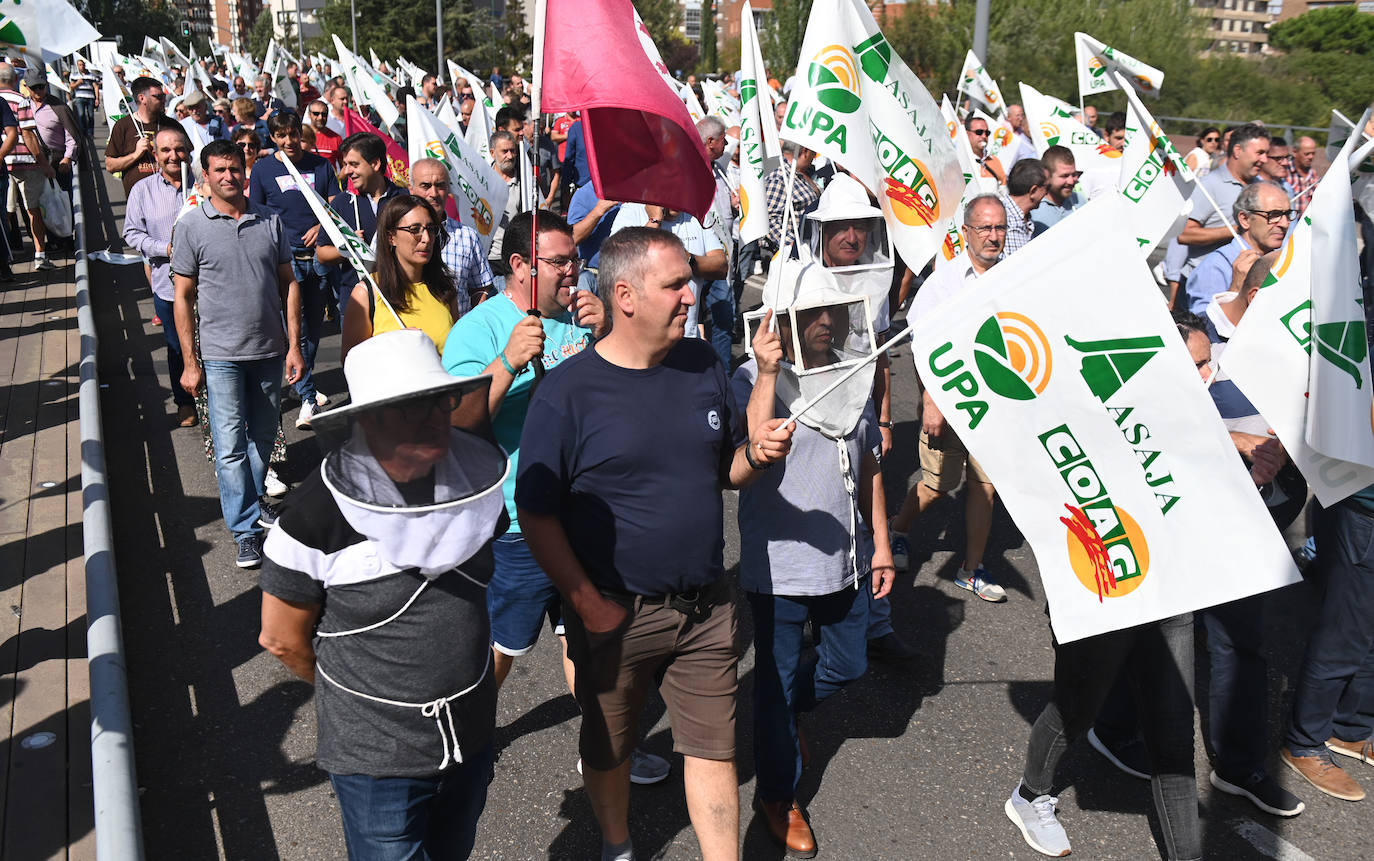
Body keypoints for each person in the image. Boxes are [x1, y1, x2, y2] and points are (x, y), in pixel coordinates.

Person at [516, 227, 794, 861]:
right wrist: (586, 604)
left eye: (689, 283)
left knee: (713, 749)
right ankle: (617, 845)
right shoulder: (567, 393)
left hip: (706, 608)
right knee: (609, 746)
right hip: (614, 615)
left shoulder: (702, 365)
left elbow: (727, 469)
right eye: (675, 285)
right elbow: (536, 513)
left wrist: (758, 453)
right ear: (626, 295)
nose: (690, 297)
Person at [258, 329, 507, 861]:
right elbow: (281, 639)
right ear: (366, 420)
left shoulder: (476, 485)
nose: (432, 419)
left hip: (470, 732)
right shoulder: (312, 517)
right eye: (407, 409)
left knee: (454, 849)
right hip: (376, 761)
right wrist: (365, 699)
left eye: (436, 403)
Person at [734, 290, 895, 856]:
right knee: (774, 687)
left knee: (847, 666)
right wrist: (768, 373)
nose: (826, 323)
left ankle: (780, 708)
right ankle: (777, 796)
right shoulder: (751, 375)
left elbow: (870, 460)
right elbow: (750, 451)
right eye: (812, 313)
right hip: (778, 566)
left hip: (847, 557)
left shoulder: (853, 372)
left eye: (836, 312)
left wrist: (879, 543)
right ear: (786, 319)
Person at [171, 139, 304, 568]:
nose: (229, 176)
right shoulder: (192, 226)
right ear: (205, 176)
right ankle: (245, 530)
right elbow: (183, 296)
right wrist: (190, 362)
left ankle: (254, 497)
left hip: (267, 351)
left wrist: (294, 345)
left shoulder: (270, 221)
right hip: (220, 356)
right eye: (220, 170)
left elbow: (290, 284)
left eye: (235, 168)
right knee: (229, 446)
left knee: (265, 439)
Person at [888, 195, 1008, 603]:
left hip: (994, 406)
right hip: (952, 399)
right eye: (985, 228)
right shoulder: (945, 282)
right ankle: (898, 531)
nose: (994, 237)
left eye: (1000, 228)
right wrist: (932, 401)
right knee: (938, 484)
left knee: (985, 487)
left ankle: (970, 569)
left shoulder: (1013, 277)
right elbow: (922, 344)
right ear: (966, 233)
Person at [249, 110, 338, 429]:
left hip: (318, 256)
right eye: (280, 135)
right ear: (272, 137)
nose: (288, 140)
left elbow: (334, 205)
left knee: (314, 325)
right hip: (284, 258)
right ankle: (308, 396)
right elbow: (256, 213)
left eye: (292, 134)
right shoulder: (262, 169)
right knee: (294, 326)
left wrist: (320, 226)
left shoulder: (321, 165)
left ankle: (304, 379)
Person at [124, 127, 197, 428]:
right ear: (155, 154)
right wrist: (164, 248)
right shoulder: (142, 190)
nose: (173, 156)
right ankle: (185, 401)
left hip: (208, 283)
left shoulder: (203, 185)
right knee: (177, 344)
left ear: (188, 150)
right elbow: (131, 233)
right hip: (167, 285)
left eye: (178, 149)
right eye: (165, 150)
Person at [340, 194, 461, 360]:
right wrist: (392, 343)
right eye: (414, 230)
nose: (426, 239)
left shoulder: (445, 289)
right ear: (391, 237)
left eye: (431, 229)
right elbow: (350, 362)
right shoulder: (367, 294)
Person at [610, 202, 727, 343]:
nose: (676, 196)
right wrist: (654, 222)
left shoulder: (697, 214)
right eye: (670, 188)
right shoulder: (632, 211)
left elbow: (721, 266)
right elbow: (617, 265)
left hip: (687, 337)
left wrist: (686, 258)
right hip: (643, 341)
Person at [1176, 123, 1269, 291]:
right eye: (1260, 153)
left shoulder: (1262, 187)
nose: (1265, 160)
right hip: (1203, 286)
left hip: (1244, 287)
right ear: (1238, 150)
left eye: (1266, 153)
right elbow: (1183, 235)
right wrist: (1238, 230)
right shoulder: (1208, 185)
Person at [316, 131, 405, 298]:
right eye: (345, 164)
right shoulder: (342, 203)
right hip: (354, 302)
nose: (347, 171)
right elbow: (321, 253)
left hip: (397, 300)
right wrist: (349, 247)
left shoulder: (404, 200)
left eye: (354, 164)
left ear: (376, 164)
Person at [1183, 180, 1290, 315]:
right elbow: (1203, 328)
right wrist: (1235, 289)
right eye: (1274, 215)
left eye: (1288, 214)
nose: (1285, 223)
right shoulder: (1216, 266)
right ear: (1245, 219)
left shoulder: (1283, 261)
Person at [408, 157, 494, 312]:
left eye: (440, 186)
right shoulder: (394, 234)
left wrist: (473, 321)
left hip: (457, 333)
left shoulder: (467, 237)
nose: (433, 193)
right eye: (425, 186)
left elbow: (481, 288)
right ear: (411, 189)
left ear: (448, 189)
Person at [0, 64, 56, 269]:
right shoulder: (21, 101)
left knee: (6, 211)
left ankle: (7, 254)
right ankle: (40, 254)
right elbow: (28, 134)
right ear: (15, 80)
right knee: (33, 210)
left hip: (4, 164)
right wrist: (43, 163)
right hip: (26, 163)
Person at [697, 116, 739, 369]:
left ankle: (723, 374)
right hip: (698, 255)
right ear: (711, 141)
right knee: (692, 318)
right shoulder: (690, 169)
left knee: (724, 318)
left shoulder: (720, 170)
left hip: (722, 255)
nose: (727, 144)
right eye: (723, 139)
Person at [106, 75, 183, 199]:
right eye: (158, 97)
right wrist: (136, 154)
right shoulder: (123, 126)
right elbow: (110, 165)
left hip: (171, 195)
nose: (164, 100)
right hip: (138, 199)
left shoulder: (172, 125)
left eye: (163, 96)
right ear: (142, 98)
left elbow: (188, 156)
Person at [764, 140, 820, 254]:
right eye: (813, 153)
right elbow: (770, 220)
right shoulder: (779, 179)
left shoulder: (800, 174)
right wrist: (792, 245)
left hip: (809, 247)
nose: (814, 158)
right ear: (804, 151)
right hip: (792, 255)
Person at [487, 129, 522, 277]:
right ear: (492, 153)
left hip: (515, 258)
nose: (510, 156)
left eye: (513, 151)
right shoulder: (482, 181)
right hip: (488, 259)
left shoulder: (525, 183)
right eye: (505, 151)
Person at [998, 159, 1046, 256]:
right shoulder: (1001, 220)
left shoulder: (1025, 220)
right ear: (1033, 191)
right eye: (1047, 187)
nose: (1047, 193)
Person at [1031, 146, 1082, 235]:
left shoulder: (1080, 201)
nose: (1071, 181)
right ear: (1046, 175)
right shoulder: (1033, 209)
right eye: (1064, 176)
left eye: (1074, 174)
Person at [966, 114, 1006, 186]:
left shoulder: (995, 161)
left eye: (987, 133)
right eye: (979, 132)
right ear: (967, 134)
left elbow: (1003, 190)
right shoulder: (959, 160)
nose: (984, 136)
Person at [1288, 135, 1319, 214]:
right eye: (1307, 154)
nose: (1311, 157)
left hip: (1306, 222)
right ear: (1295, 152)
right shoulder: (1285, 172)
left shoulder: (1314, 175)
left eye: (1313, 153)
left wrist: (1309, 224)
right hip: (1289, 223)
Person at [68, 57, 99, 136]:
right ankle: (83, 131)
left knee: (91, 115)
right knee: (81, 115)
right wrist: (78, 83)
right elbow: (71, 86)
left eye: (83, 65)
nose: (82, 66)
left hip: (90, 97)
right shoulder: (74, 75)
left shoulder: (91, 75)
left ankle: (90, 132)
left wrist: (97, 98)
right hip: (80, 97)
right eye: (80, 65)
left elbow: (95, 86)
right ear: (77, 66)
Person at [1260, 136, 1297, 201]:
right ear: (1263, 157)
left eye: (1287, 157)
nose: (1285, 163)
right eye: (1278, 158)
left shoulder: (1287, 187)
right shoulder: (1250, 185)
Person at [305, 99, 341, 164]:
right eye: (316, 114)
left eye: (324, 114)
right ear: (309, 115)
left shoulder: (336, 138)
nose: (320, 117)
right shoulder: (301, 135)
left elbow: (343, 166)